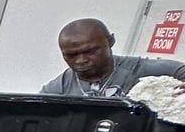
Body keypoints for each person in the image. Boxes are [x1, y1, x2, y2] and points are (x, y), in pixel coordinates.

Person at [41, 18, 185, 97]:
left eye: (90, 51)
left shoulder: (137, 68)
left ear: (110, 42)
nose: (81, 60)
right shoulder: (59, 87)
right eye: (71, 55)